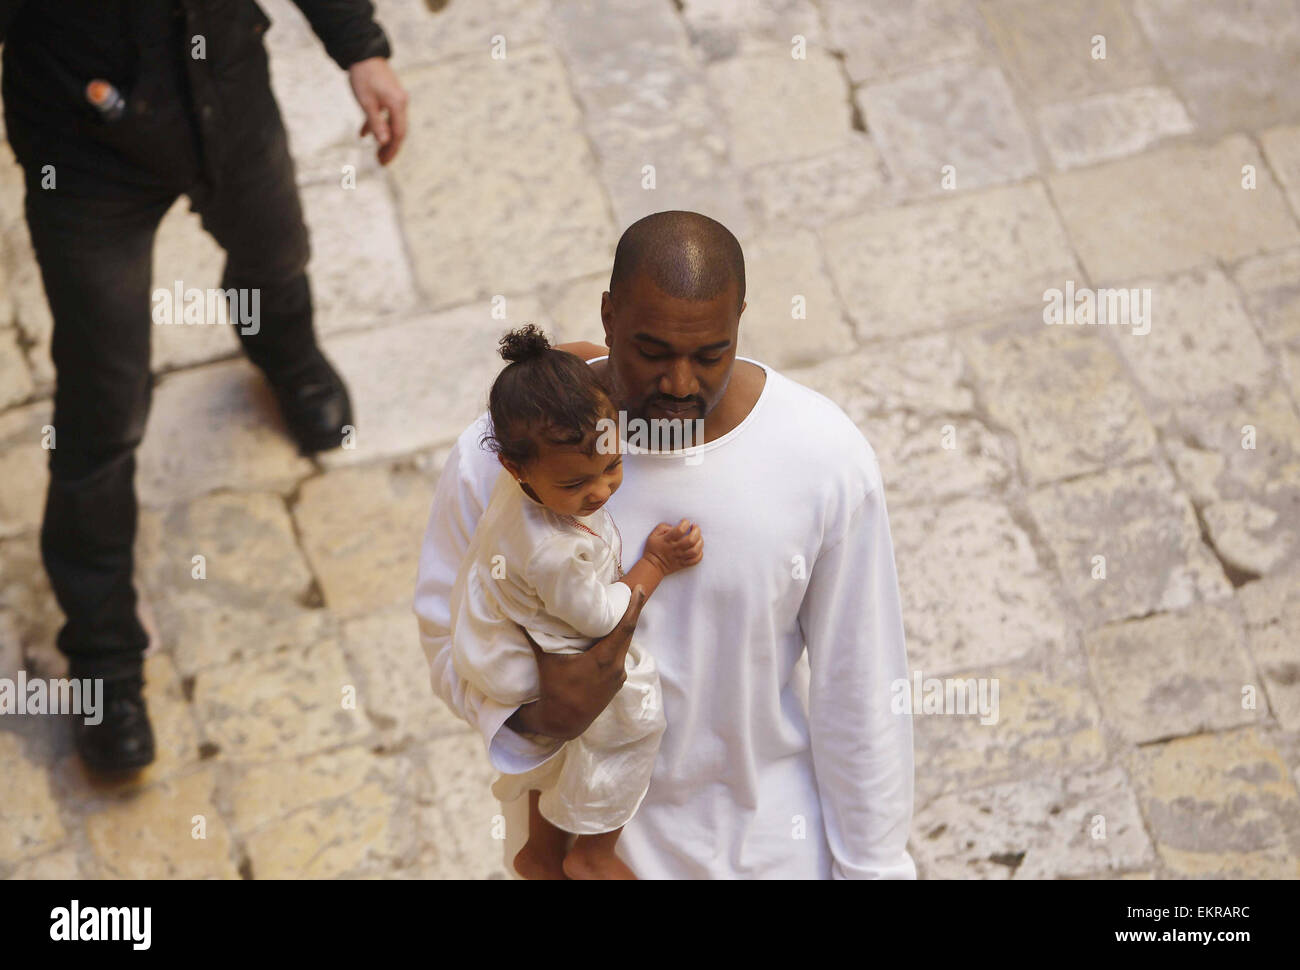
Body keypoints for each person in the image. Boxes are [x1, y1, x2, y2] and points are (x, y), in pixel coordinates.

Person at [414, 210, 918, 879]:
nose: (680, 383)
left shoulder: (823, 458)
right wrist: (536, 716)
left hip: (768, 850)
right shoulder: (508, 455)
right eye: (652, 353)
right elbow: (446, 633)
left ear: (740, 321)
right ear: (608, 317)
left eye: (710, 355)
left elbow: (860, 685)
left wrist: (876, 870)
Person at [0, 0, 409, 773]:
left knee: (277, 251)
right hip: (84, 147)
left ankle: (283, 350)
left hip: (225, 85)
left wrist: (360, 46)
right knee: (102, 403)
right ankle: (104, 658)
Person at [451, 323, 702, 880]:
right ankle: (593, 851)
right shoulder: (552, 550)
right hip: (546, 650)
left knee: (560, 751)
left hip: (498, 634)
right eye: (576, 484)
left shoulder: (532, 470)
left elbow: (566, 382)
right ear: (515, 468)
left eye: (612, 466)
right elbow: (600, 616)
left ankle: (539, 854)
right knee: (631, 720)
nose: (600, 490)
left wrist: (595, 365)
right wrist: (655, 563)